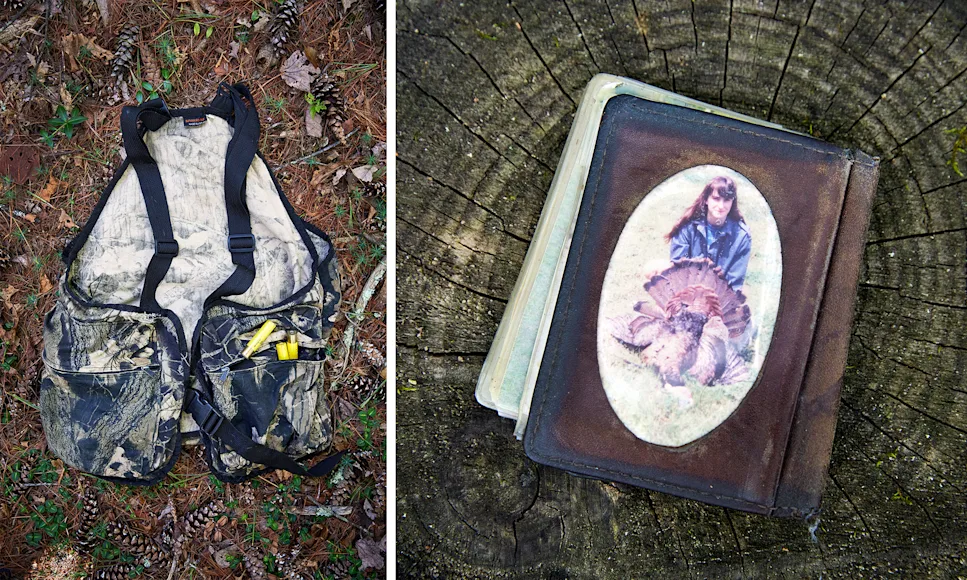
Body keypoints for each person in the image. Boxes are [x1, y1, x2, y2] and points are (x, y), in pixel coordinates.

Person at [665, 176, 751, 292]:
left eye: (726, 200)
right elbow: (677, 271)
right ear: (706, 199)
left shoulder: (741, 236)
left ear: (732, 202)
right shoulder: (687, 228)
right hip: (686, 294)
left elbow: (734, 284)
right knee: (652, 267)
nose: (721, 206)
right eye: (716, 199)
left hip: (719, 300)